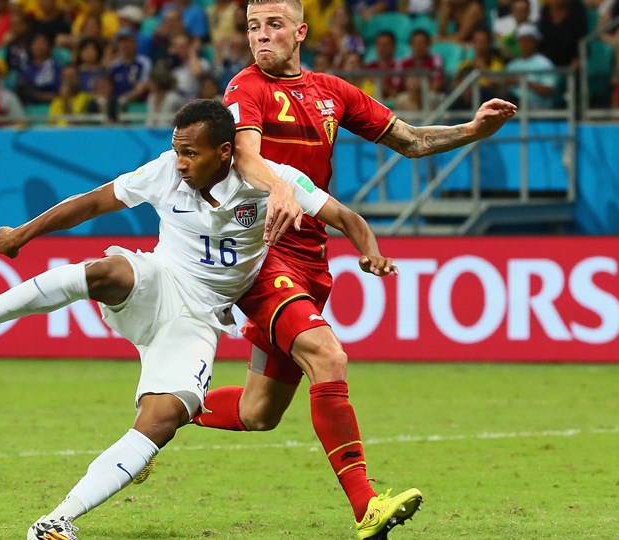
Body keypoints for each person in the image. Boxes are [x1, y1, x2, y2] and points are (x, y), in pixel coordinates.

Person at [0, 98, 397, 540]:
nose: (180, 162)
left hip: (197, 320)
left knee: (162, 420)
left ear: (225, 151)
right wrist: (25, 233)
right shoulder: (164, 172)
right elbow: (92, 202)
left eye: (191, 153)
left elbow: (347, 219)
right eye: (177, 150)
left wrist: (370, 251)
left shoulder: (276, 182)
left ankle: (56, 520)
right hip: (158, 280)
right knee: (106, 271)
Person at [191, 2, 516, 539]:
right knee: (328, 355)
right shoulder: (245, 87)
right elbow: (246, 155)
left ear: (301, 31)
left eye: (273, 25)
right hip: (261, 252)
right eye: (252, 27)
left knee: (258, 412)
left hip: (311, 258)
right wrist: (279, 188)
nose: (260, 36)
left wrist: (474, 130)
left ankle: (168, 407)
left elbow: (411, 141)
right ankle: (367, 505)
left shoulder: (332, 92)